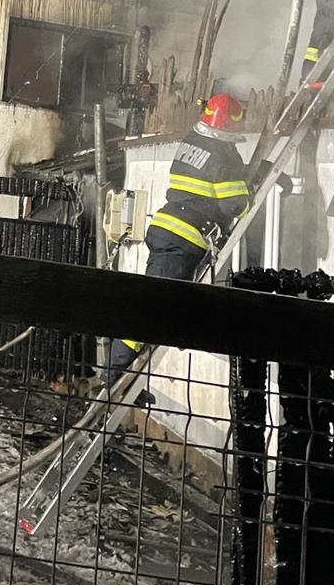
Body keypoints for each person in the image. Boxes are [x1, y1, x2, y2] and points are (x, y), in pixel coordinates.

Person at [106, 92, 249, 383]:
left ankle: (119, 378)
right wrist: (249, 189)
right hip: (183, 241)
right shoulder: (226, 155)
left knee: (158, 305)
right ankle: (111, 380)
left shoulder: (192, 141)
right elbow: (235, 205)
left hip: (166, 228)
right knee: (151, 312)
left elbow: (208, 178)